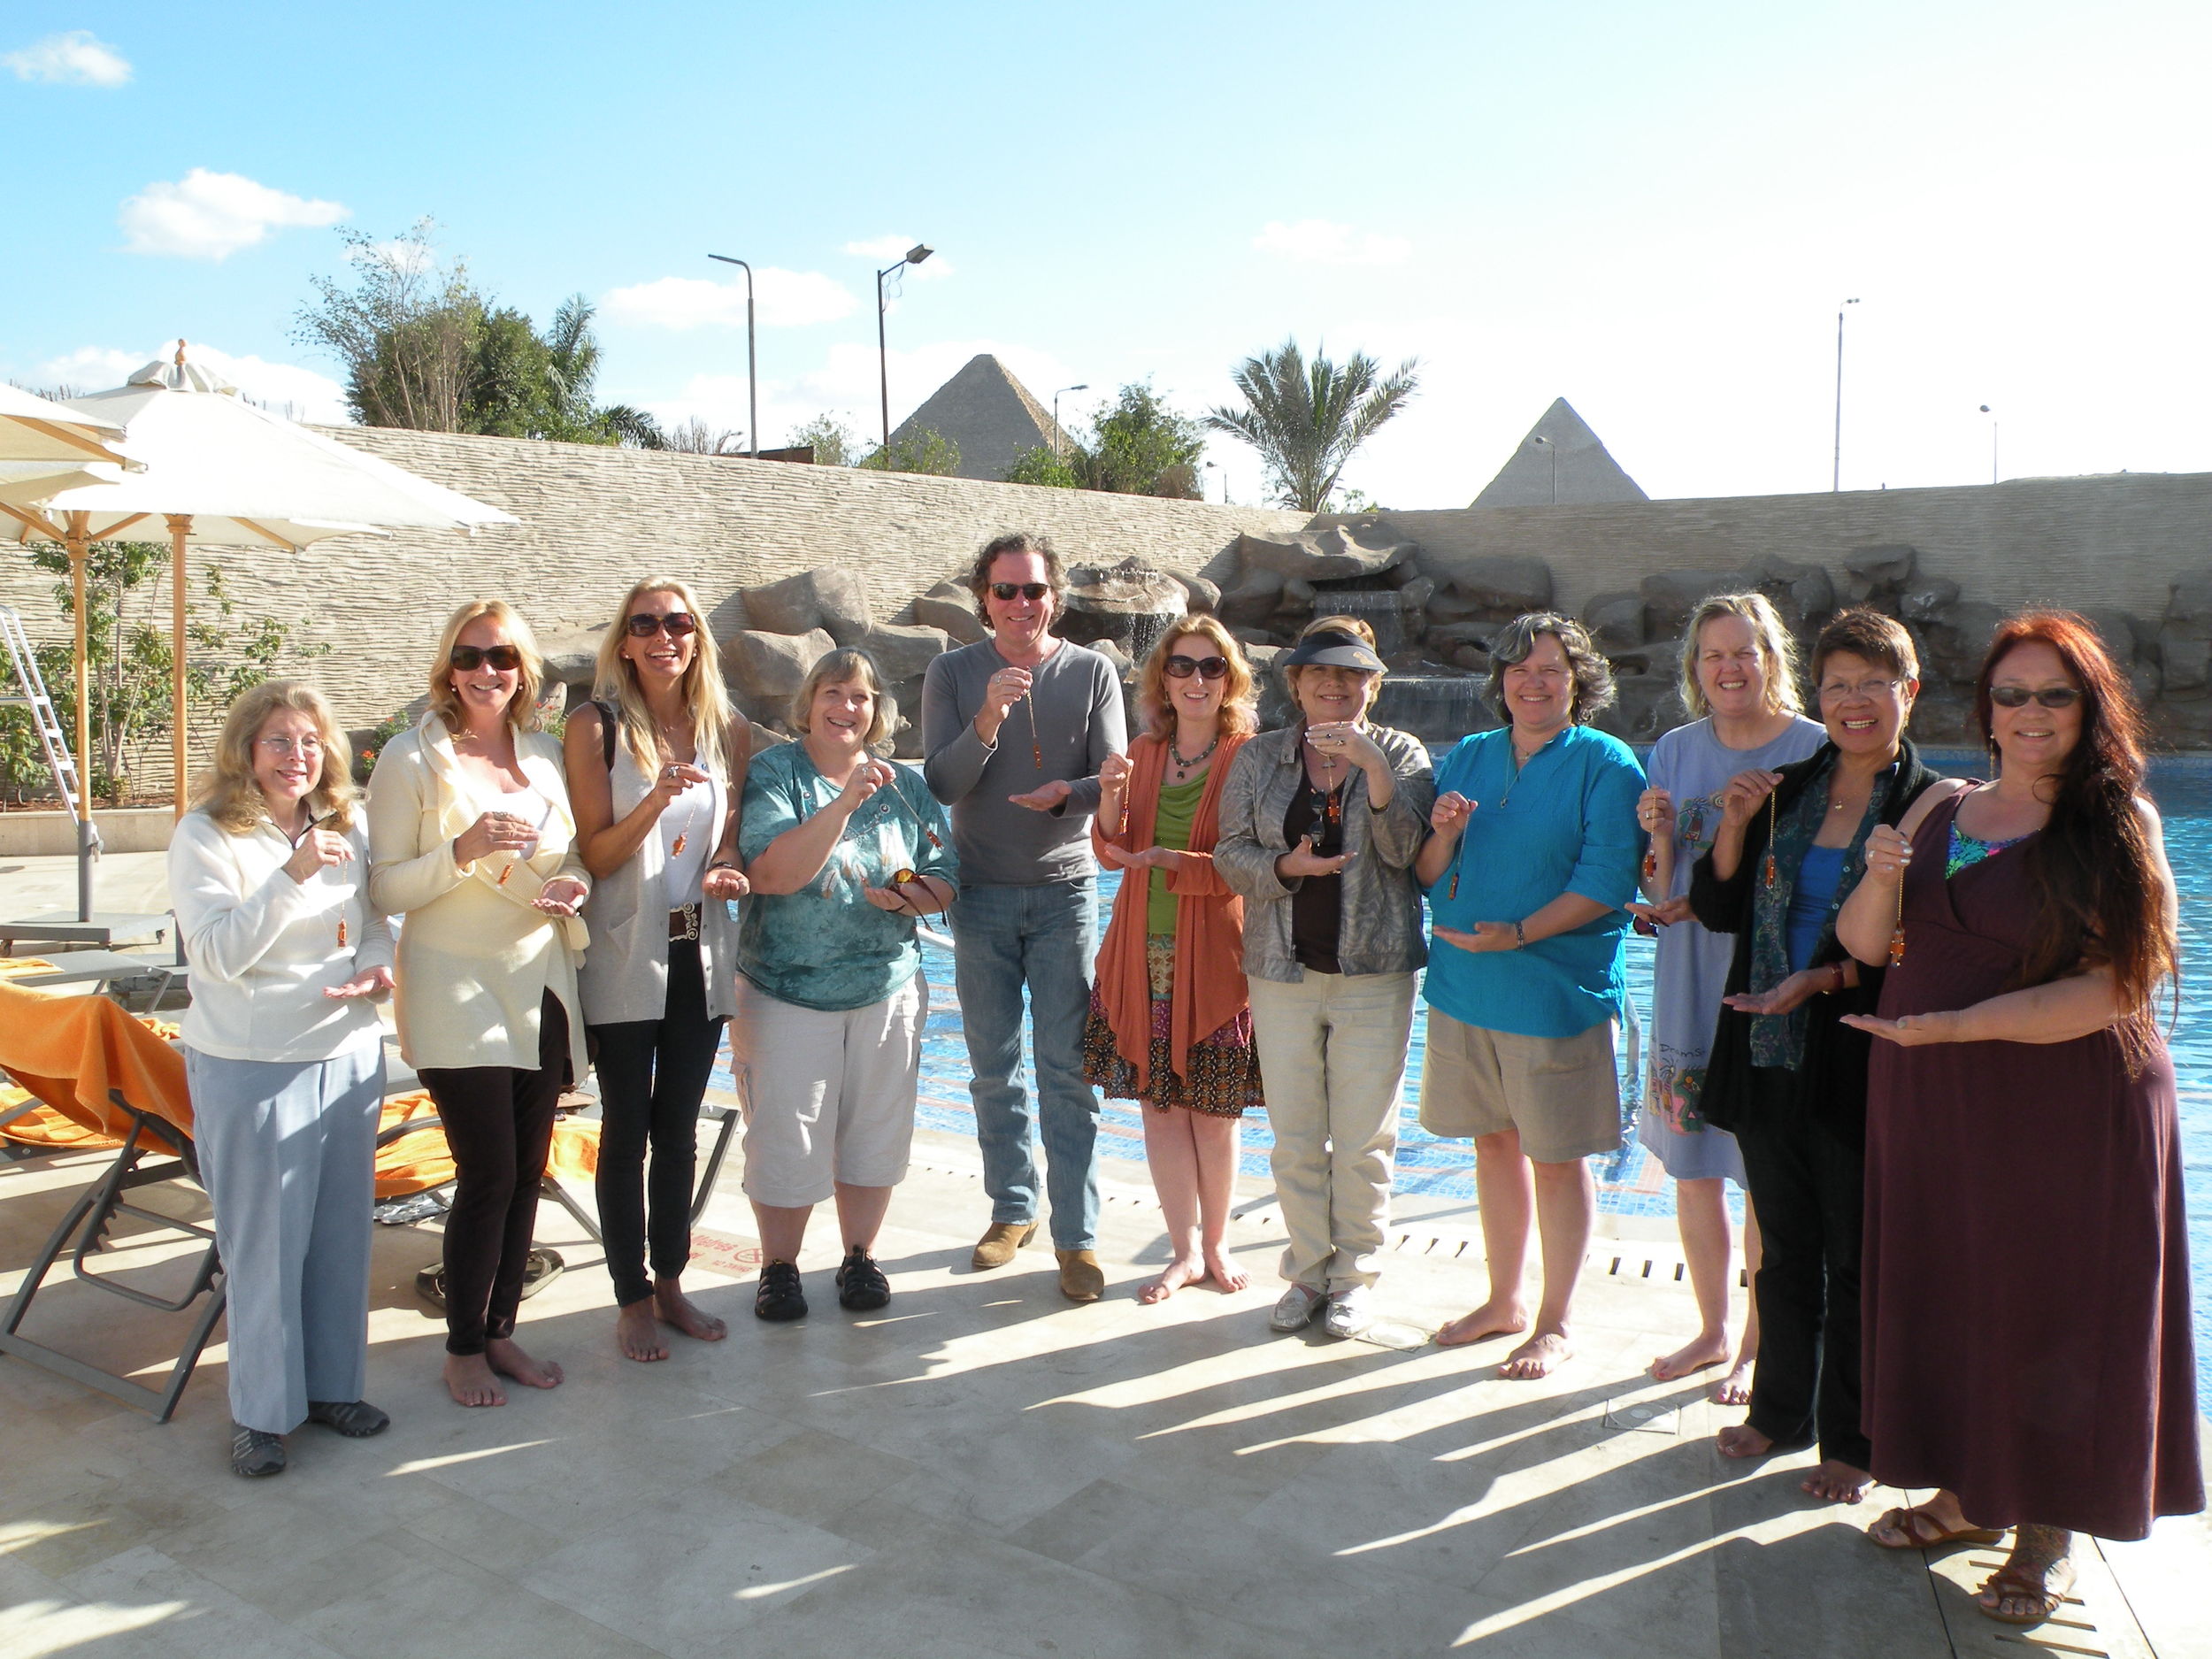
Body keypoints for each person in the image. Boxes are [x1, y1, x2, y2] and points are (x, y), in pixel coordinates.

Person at [1840, 612, 2202, 1625]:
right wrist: (1876, 878)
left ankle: (2047, 1535)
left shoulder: (2116, 824)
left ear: (2089, 710)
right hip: (1937, 1101)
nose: (2030, 713)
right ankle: (1968, 1496)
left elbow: (2120, 989)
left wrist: (1953, 1028)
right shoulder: (1938, 808)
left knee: (2055, 1309)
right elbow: (1866, 943)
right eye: (2012, 694)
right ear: (1984, 711)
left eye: (2054, 694)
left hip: (2068, 1109)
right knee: (1958, 1293)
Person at [1687, 609, 1953, 1502]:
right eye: (1836, 683)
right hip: (1765, 1046)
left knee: (1855, 1260)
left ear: (1906, 693)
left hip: (1856, 1058)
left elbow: (1929, 950)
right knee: (1785, 1250)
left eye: (1871, 684)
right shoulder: (1787, 787)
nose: (1851, 702)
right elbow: (1720, 910)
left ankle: (1854, 1438)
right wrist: (1730, 825)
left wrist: (1826, 980)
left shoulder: (1932, 804)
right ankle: (1778, 1414)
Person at [367, 600, 589, 1409]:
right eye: (470, 655)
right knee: (487, 1173)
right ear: (448, 667)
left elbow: (574, 858)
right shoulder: (409, 757)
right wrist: (461, 851)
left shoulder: (543, 753)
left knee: (527, 1174)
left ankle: (501, 1329)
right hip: (455, 983)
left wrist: (574, 883)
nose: (485, 671)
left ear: (524, 670)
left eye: (501, 657)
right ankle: (462, 1345)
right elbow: (385, 884)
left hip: (540, 981)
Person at [170, 682, 395, 1477]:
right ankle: (261, 1415)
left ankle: (333, 1387)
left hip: (346, 1054)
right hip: (252, 1064)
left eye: (309, 740)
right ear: (246, 750)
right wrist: (291, 874)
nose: (297, 755)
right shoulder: (204, 835)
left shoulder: (347, 822)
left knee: (339, 1238)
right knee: (263, 1248)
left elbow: (372, 920)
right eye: (278, 740)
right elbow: (216, 955)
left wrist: (377, 967)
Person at [1417, 613, 1645, 1379]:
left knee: (1556, 1157)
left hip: (1554, 994)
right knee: (1492, 1142)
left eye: (1552, 668)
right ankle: (1503, 1299)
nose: (1534, 681)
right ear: (1500, 681)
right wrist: (1444, 834)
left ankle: (1555, 1321)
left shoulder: (1606, 763)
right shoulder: (1471, 756)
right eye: (1519, 668)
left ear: (1579, 680)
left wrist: (1518, 934)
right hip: (1463, 988)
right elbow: (1423, 873)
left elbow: (1609, 881)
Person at [921, 531, 1126, 1302]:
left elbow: (1110, 774)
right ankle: (1013, 1208)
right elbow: (940, 781)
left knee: (1069, 1070)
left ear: (1055, 597)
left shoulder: (1093, 670)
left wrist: (1069, 796)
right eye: (1005, 591)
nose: (1019, 605)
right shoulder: (953, 671)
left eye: (1033, 591)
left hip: (1066, 892)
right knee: (992, 1068)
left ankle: (1077, 1235)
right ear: (983, 597)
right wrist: (985, 719)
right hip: (977, 893)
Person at [1216, 617, 1433, 1339]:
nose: (1335, 686)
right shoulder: (1258, 759)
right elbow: (1229, 854)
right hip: (1282, 969)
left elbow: (1408, 855)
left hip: (1374, 973)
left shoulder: (1402, 752)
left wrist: (1373, 768)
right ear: (1297, 685)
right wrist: (1284, 869)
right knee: (1298, 1134)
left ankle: (1355, 1279)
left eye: (1351, 675)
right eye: (1321, 675)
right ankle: (1308, 1270)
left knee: (1366, 1137)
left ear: (1372, 685)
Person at [1628, 595, 1822, 1400]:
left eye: (1744, 652)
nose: (1729, 668)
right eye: (1713, 656)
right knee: (1693, 1166)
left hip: (1766, 980)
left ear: (1773, 658)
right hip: (1685, 976)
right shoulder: (1674, 749)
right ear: (1694, 669)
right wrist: (1661, 835)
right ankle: (1710, 1329)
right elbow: (1658, 884)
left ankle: (1756, 1341)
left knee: (1761, 1169)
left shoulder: (1810, 745)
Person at [734, 649, 956, 1318]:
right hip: (786, 989)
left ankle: (859, 1256)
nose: (847, 708)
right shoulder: (776, 773)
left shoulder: (904, 784)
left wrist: (907, 897)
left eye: (861, 697)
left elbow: (946, 877)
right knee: (786, 1133)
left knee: (875, 1130)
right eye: (834, 693)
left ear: (877, 710)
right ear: (809, 703)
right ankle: (779, 1266)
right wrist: (845, 801)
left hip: (887, 988)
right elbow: (772, 872)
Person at [567, 577, 753, 1363]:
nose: (662, 636)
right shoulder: (594, 726)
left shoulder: (726, 730)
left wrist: (728, 866)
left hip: (698, 951)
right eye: (645, 624)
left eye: (678, 623)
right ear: (624, 641)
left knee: (678, 1129)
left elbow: (728, 838)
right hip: (622, 954)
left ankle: (672, 1280)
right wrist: (652, 801)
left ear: (697, 639)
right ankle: (630, 1294)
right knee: (627, 1126)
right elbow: (598, 852)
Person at [1084, 616, 1263, 1302]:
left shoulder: (1248, 755)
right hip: (1139, 953)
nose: (1196, 679)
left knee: (1214, 1114)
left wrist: (1177, 863)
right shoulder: (1144, 750)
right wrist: (1108, 794)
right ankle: (1182, 1251)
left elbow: (1248, 866)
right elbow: (1111, 850)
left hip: (1216, 960)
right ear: (1162, 677)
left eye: (1211, 667)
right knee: (1160, 1108)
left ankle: (1216, 1245)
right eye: (1182, 666)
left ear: (1230, 678)